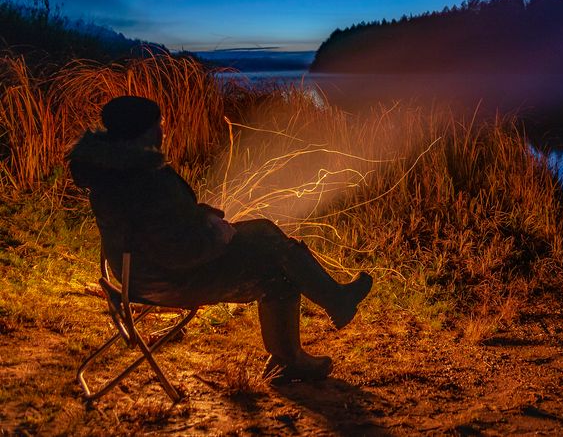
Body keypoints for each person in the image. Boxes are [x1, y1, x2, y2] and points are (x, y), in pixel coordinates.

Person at [68, 95, 372, 383]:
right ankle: (301, 344)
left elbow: (159, 227)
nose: (163, 129)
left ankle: (317, 323)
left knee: (267, 239)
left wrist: (199, 216)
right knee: (274, 261)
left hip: (136, 273)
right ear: (143, 132)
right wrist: (218, 232)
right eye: (158, 124)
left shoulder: (109, 172)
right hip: (166, 280)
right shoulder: (146, 181)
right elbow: (182, 249)